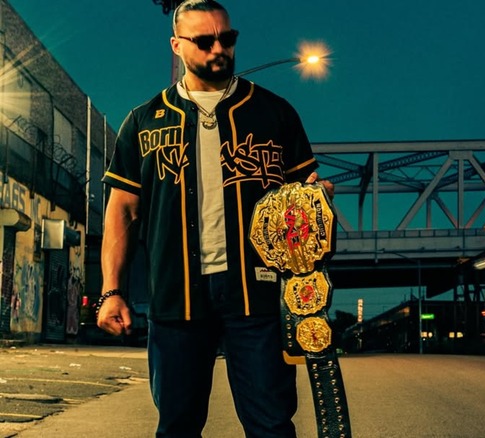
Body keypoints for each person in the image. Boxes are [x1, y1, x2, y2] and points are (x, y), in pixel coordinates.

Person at [97, 1, 332, 436]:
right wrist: (111, 290)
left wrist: (316, 202)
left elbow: (306, 197)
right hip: (176, 294)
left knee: (272, 425)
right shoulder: (143, 121)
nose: (219, 49)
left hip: (256, 295)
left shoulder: (274, 113)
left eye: (228, 38)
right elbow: (122, 211)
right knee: (177, 426)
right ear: (177, 46)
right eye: (205, 41)